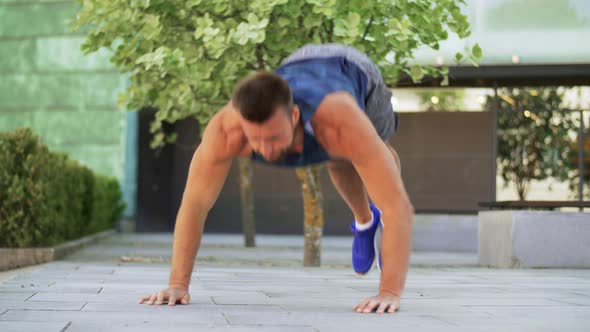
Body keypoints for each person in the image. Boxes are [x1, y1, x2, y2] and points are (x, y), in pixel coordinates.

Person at [137, 44, 414, 314]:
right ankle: (365, 222)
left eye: (272, 138)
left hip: (354, 69)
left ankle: (374, 223)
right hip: (300, 61)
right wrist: (177, 285)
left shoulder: (340, 123)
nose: (265, 150)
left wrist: (389, 292)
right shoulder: (226, 131)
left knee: (362, 155)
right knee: (337, 155)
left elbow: (399, 207)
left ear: (294, 116)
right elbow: (195, 204)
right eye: (254, 139)